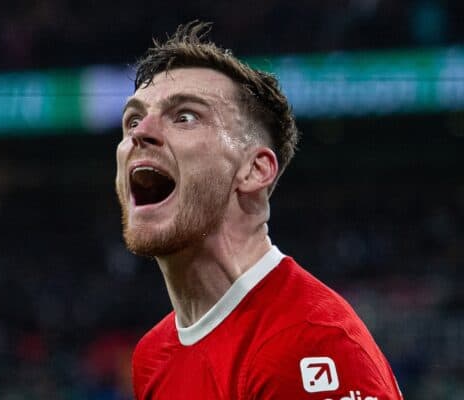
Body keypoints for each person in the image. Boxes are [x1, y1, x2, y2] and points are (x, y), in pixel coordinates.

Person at [115, 21, 403, 400]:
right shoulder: (153, 356)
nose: (140, 133)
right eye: (133, 119)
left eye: (185, 116)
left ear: (254, 170)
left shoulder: (309, 343)